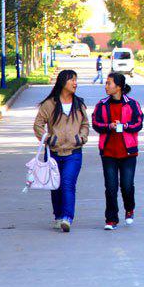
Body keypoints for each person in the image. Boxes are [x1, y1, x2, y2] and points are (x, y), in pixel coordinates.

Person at [33, 69, 89, 233]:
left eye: (76, 80)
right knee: (56, 186)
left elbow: (85, 124)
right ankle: (58, 216)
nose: (75, 83)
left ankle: (67, 218)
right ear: (63, 82)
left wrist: (80, 138)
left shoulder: (79, 104)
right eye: (72, 80)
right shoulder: (50, 104)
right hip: (53, 153)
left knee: (67, 183)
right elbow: (38, 124)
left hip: (74, 153)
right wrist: (49, 139)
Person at [92, 72, 144, 230]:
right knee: (110, 187)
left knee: (127, 185)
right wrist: (109, 126)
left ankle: (129, 209)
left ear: (119, 87)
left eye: (109, 83)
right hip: (108, 152)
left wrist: (125, 126)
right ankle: (111, 219)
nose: (106, 86)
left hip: (128, 152)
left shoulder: (132, 104)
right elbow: (95, 123)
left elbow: (139, 123)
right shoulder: (102, 105)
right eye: (106, 83)